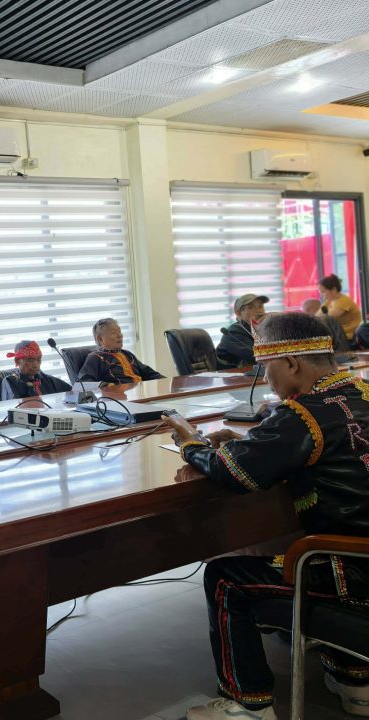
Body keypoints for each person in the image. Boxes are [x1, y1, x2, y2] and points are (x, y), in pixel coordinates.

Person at [164, 312, 369, 720]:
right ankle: (356, 680)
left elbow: (235, 473)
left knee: (225, 579)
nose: (268, 381)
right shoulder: (361, 394)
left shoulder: (302, 415)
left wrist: (191, 445)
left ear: (291, 364)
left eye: (268, 369)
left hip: (352, 576)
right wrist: (251, 441)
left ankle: (247, 705)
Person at [77, 318, 163, 385]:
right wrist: (105, 386)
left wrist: (168, 382)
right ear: (100, 339)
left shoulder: (127, 354)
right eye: (114, 333)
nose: (120, 335)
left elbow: (149, 373)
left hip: (141, 394)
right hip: (118, 399)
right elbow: (84, 382)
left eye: (120, 331)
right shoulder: (95, 357)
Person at [0, 340, 71, 400]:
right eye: (30, 360)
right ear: (17, 361)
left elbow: (73, 392)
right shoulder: (10, 381)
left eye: (38, 360)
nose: (36, 365)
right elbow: (13, 409)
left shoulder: (45, 379)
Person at [216, 293, 269, 368]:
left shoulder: (263, 329)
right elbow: (256, 356)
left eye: (260, 306)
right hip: (232, 377)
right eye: (250, 307)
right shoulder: (233, 333)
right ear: (238, 313)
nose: (258, 311)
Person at [319, 274, 363, 344]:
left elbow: (326, 318)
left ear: (334, 289)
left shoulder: (343, 301)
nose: (322, 295)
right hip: (339, 338)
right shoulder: (329, 301)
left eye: (323, 292)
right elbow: (317, 316)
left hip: (350, 339)